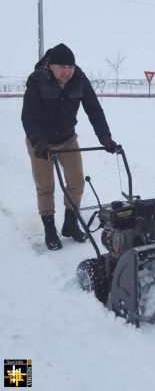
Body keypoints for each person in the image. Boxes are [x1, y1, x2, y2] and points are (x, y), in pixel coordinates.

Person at [21, 43, 117, 251]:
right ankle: (49, 231)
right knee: (46, 186)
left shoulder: (79, 80)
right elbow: (29, 115)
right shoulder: (36, 79)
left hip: (67, 138)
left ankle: (70, 224)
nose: (67, 72)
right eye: (62, 67)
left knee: (76, 182)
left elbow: (94, 109)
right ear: (52, 67)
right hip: (40, 141)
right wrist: (38, 141)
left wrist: (105, 137)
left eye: (70, 67)